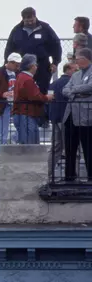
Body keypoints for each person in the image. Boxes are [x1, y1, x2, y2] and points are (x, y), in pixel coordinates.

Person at [5, 7, 62, 93]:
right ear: (23, 19)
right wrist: (7, 63)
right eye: (27, 21)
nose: (30, 22)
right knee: (22, 90)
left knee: (42, 90)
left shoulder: (45, 28)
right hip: (21, 66)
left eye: (32, 20)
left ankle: (42, 106)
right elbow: (9, 47)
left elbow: (56, 44)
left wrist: (55, 62)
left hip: (42, 65)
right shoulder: (17, 30)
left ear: (35, 16)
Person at [62, 49, 92, 183]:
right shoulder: (75, 75)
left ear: (85, 58)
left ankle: (90, 177)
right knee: (69, 148)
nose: (75, 61)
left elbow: (90, 87)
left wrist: (74, 90)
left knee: (88, 147)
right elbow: (65, 90)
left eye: (77, 59)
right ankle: (69, 176)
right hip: (70, 116)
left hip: (86, 115)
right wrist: (79, 90)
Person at [12, 54, 50, 145]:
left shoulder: (20, 76)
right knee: (30, 141)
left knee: (25, 139)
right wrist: (46, 97)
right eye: (35, 65)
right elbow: (34, 96)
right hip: (27, 113)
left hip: (21, 112)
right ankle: (29, 159)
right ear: (31, 66)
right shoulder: (27, 79)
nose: (36, 67)